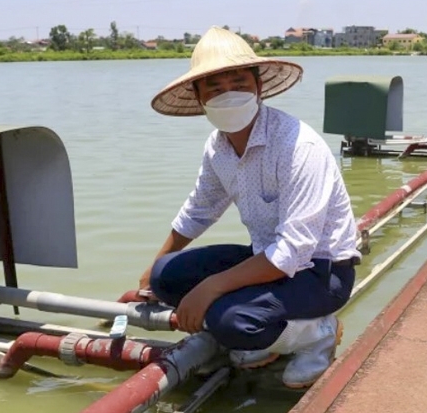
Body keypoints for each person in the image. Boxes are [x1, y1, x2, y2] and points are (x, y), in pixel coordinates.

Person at [139, 27, 360, 389]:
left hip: (321, 271)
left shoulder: (297, 145)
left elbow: (293, 250)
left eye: (238, 82)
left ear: (258, 87)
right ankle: (265, 331)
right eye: (214, 87)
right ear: (198, 98)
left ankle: (316, 334)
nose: (228, 94)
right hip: (265, 257)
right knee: (167, 276)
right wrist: (150, 272)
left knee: (231, 321)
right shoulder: (217, 147)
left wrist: (212, 287)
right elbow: (199, 209)